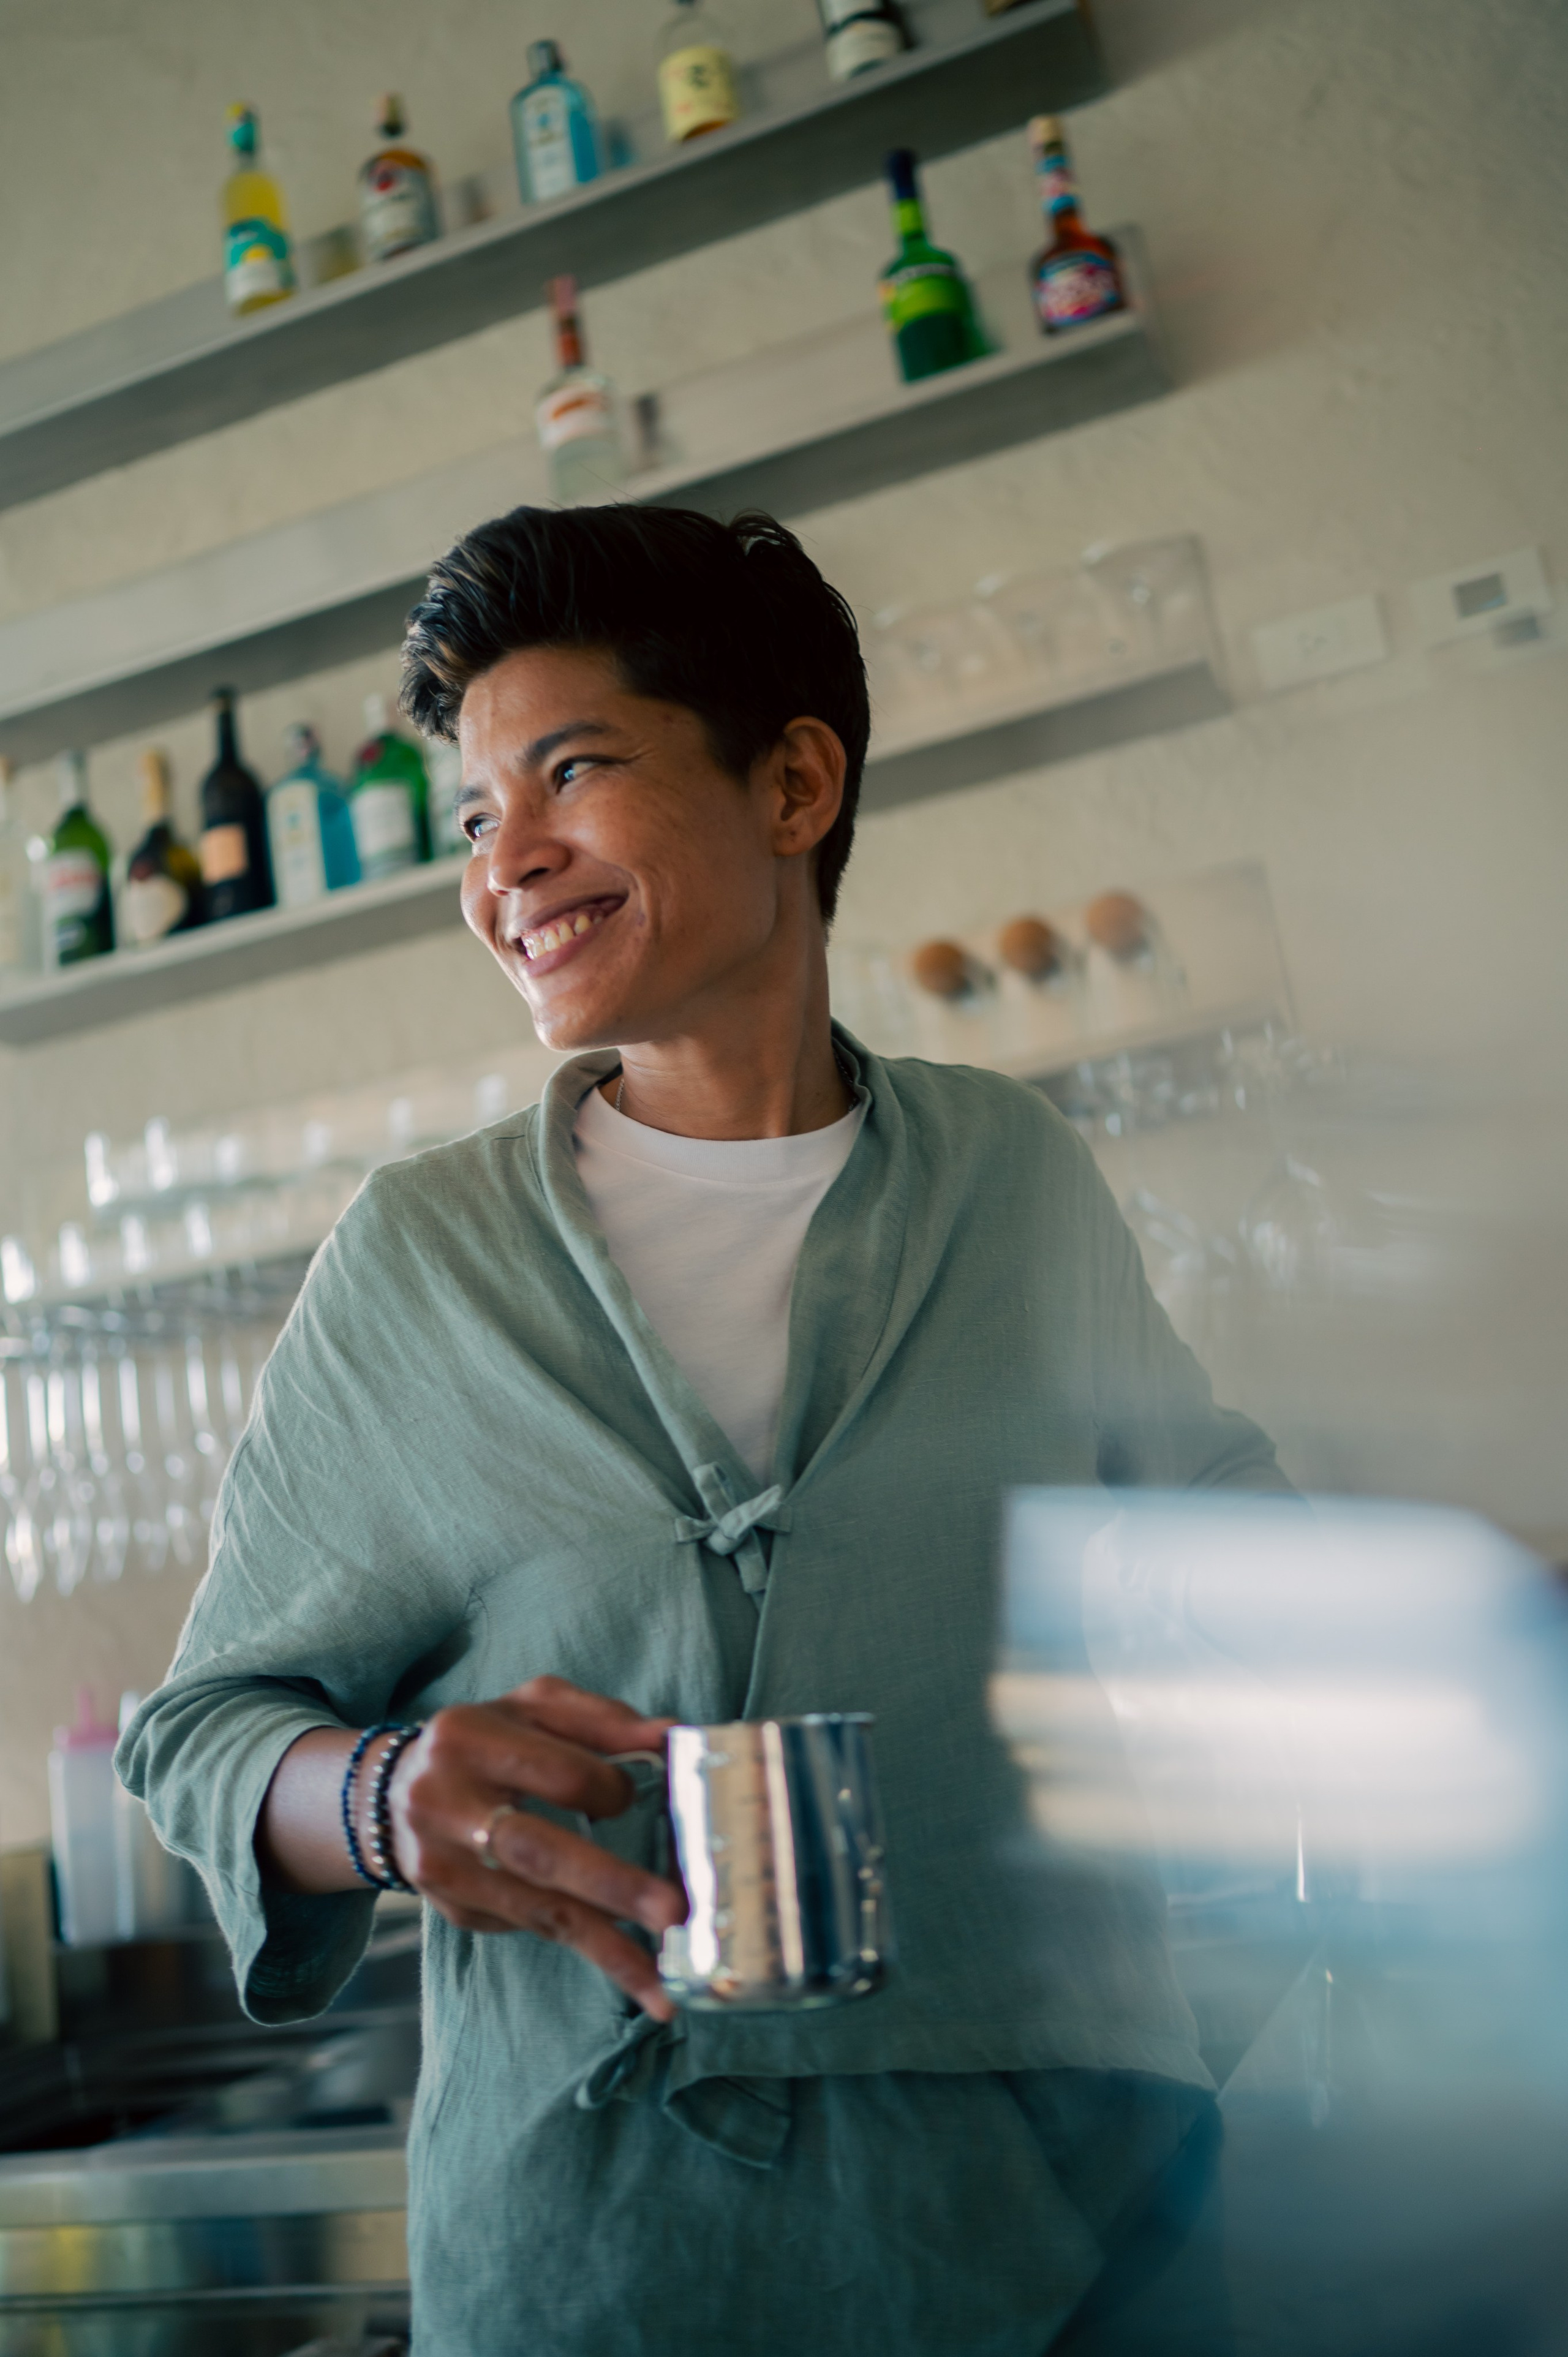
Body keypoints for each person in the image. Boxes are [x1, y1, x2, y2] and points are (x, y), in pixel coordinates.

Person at [119, 505, 1286, 2355]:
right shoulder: (423, 1260)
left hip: (1056, 2233)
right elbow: (202, 1739)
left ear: (796, 786)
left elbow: (1210, 1523)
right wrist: (380, 1795)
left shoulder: (1009, 1174)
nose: (509, 860)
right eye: (475, 816)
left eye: (569, 770)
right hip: (610, 2263)